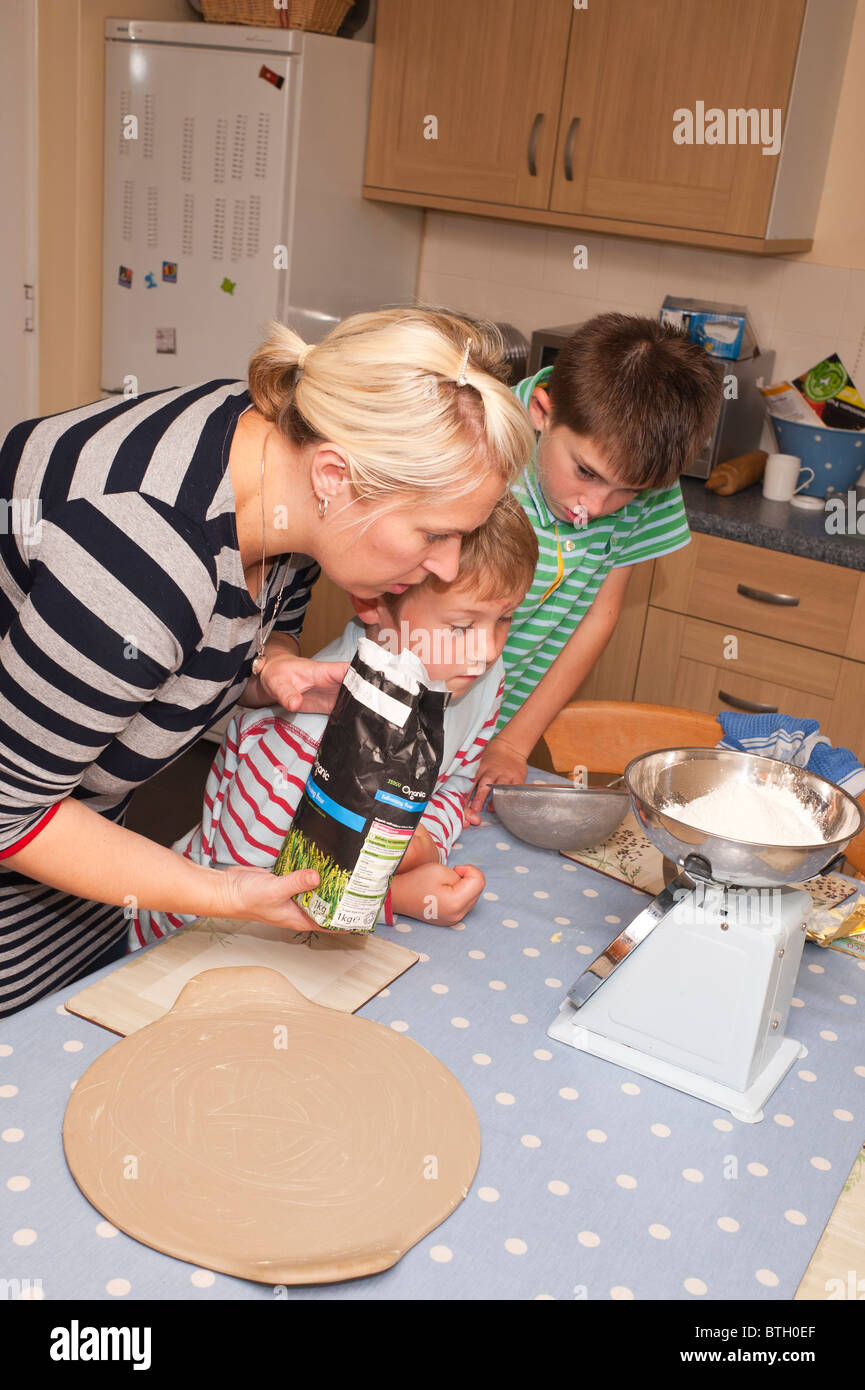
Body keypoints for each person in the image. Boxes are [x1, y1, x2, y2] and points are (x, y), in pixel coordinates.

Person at [0, 308, 535, 1015]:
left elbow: (248, 631)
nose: (443, 563)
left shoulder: (286, 473)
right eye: (434, 533)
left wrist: (271, 671)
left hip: (88, 851)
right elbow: (11, 815)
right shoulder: (143, 558)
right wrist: (224, 893)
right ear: (336, 476)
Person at [131, 492, 538, 942]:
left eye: (505, 620)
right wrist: (396, 895)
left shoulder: (477, 679)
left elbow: (456, 784)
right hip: (197, 935)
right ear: (373, 604)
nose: (489, 651)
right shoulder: (306, 735)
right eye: (462, 627)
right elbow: (246, 891)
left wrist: (423, 845)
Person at [470, 313, 724, 808]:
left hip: (500, 719)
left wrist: (512, 741)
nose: (597, 506)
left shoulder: (645, 473)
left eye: (628, 491)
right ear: (542, 412)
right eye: (585, 471)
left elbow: (598, 617)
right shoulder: (481, 441)